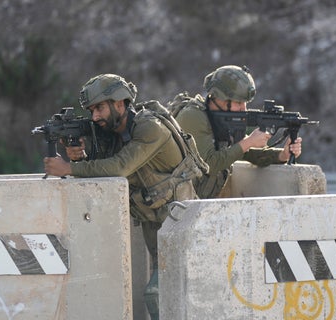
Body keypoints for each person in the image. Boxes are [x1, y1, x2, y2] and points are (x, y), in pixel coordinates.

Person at [44, 73, 201, 320]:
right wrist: (80, 158)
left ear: (119, 103)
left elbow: (119, 168)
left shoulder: (150, 128)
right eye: (91, 111)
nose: (95, 117)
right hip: (158, 230)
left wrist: (69, 168)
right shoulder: (117, 134)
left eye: (99, 108)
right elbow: (107, 175)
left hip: (184, 228)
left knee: (157, 294)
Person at [170, 65, 303, 199]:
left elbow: (244, 152)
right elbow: (209, 164)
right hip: (177, 204)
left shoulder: (221, 117)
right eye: (238, 103)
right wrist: (249, 141)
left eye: (245, 103)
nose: (243, 108)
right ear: (221, 98)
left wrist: (282, 155)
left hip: (197, 200)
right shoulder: (193, 117)